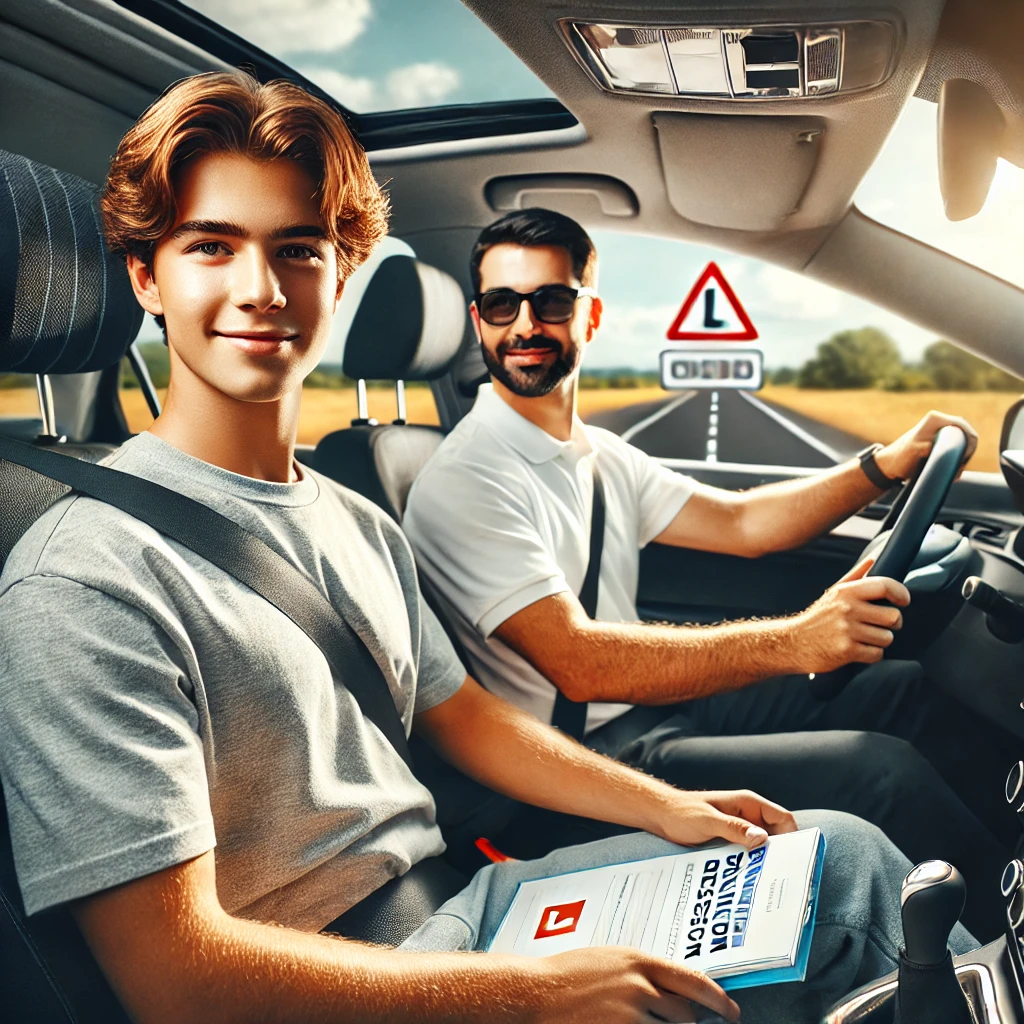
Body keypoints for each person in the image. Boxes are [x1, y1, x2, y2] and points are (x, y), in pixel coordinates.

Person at [0, 72, 973, 1024]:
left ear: (338, 277)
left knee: (840, 866)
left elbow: (466, 721)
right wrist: (534, 992)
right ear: (145, 275)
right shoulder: (81, 581)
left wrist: (662, 807)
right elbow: (176, 983)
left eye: (296, 249)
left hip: (460, 909)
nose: (259, 288)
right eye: (211, 246)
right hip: (347, 980)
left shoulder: (349, 517)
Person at [402, 208, 1018, 939]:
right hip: (579, 765)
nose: (525, 325)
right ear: (478, 321)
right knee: (877, 772)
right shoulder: (468, 478)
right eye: (503, 305)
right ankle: (997, 947)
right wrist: (796, 640)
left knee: (904, 693)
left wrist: (883, 465)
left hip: (648, 715)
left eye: (552, 301)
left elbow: (745, 524)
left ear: (590, 314)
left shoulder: (595, 453)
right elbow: (581, 665)